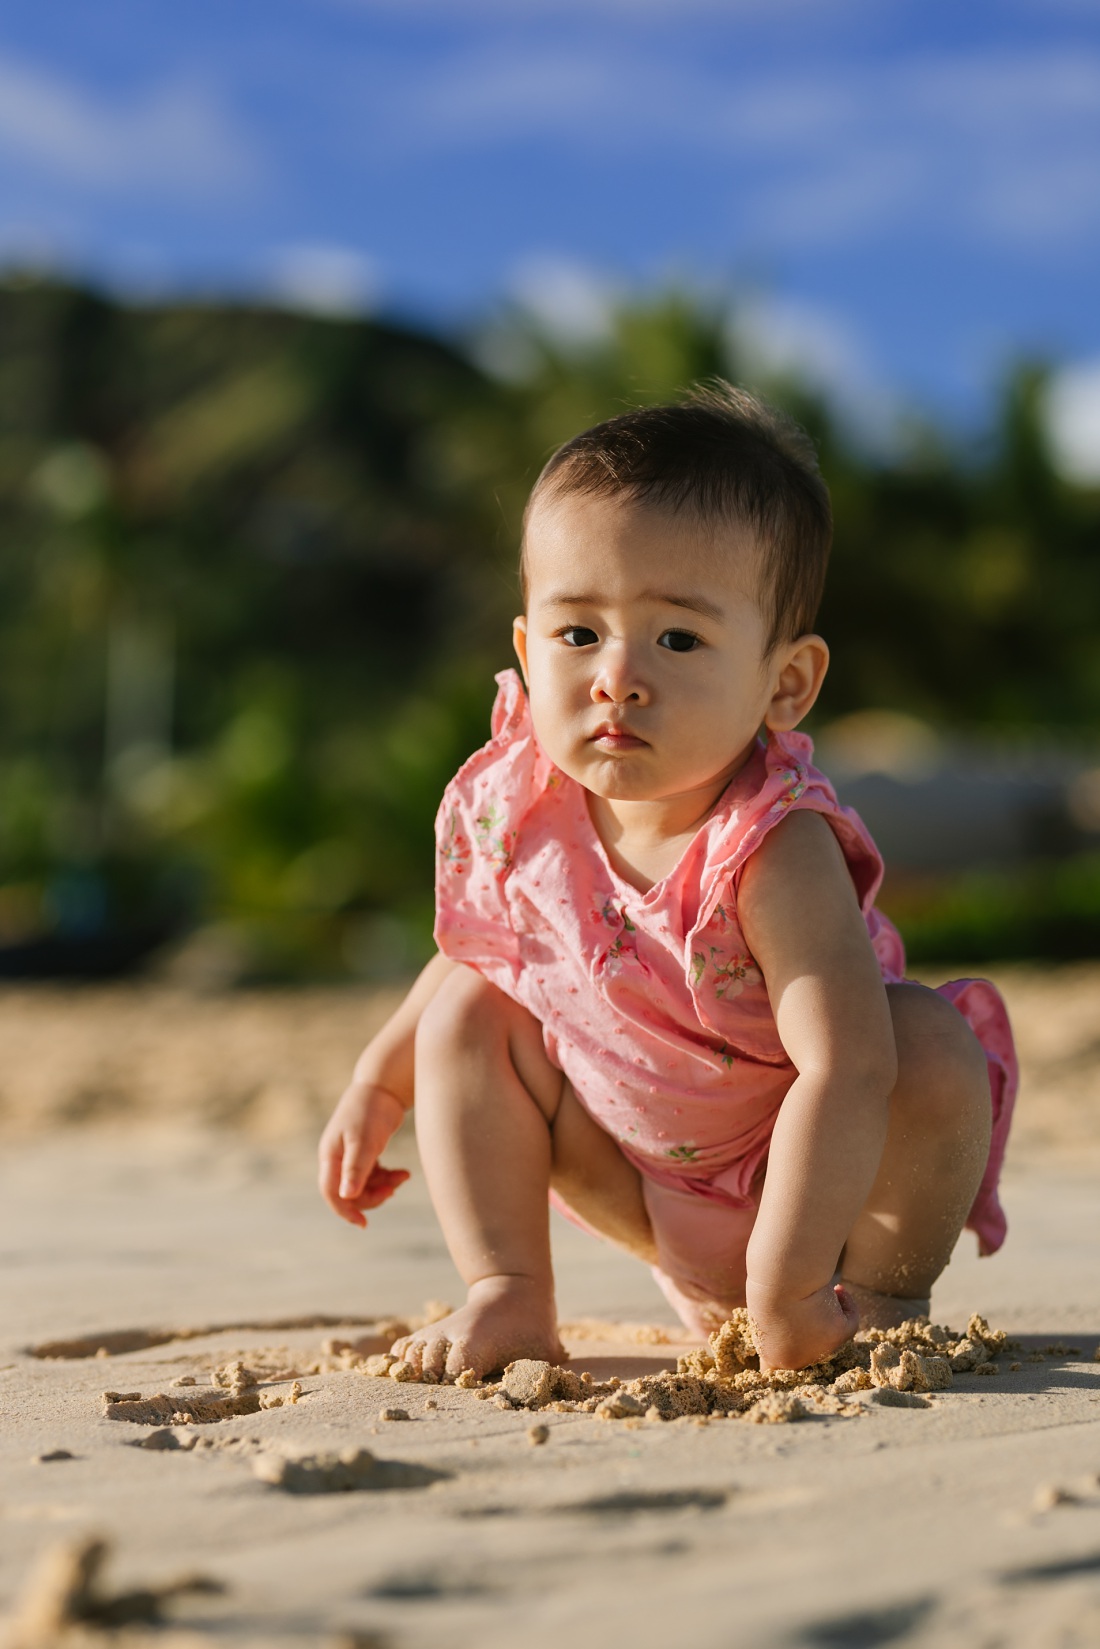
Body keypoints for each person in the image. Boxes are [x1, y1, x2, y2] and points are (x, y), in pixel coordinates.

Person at [317, 384, 1017, 1378]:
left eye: (676, 638)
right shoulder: (522, 805)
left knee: (923, 1041)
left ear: (784, 683)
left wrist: (788, 1280)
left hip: (821, 1203)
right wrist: (376, 1083)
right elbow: (471, 947)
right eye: (577, 633)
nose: (616, 675)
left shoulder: (770, 842)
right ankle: (507, 1290)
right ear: (524, 646)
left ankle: (884, 1303)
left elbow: (846, 1065)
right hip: (646, 1186)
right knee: (475, 1003)